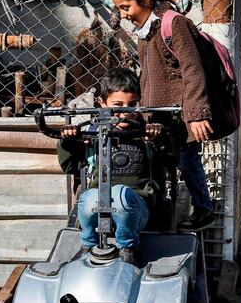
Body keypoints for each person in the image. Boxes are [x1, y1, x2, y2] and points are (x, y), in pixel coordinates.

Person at [110, 0, 215, 231]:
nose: (123, 15)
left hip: (181, 116)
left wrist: (198, 113)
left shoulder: (174, 24)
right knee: (160, 163)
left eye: (126, 7)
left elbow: (193, 68)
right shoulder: (146, 31)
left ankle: (204, 211)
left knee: (188, 162)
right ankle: (159, 208)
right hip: (158, 114)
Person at [57, 67, 170, 265]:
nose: (126, 112)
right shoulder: (92, 134)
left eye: (132, 105)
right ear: (102, 103)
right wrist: (68, 141)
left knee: (120, 195)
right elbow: (70, 166)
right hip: (98, 204)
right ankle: (88, 244)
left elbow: (171, 159)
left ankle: (127, 247)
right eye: (118, 105)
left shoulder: (146, 135)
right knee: (88, 198)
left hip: (137, 206)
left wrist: (160, 139)